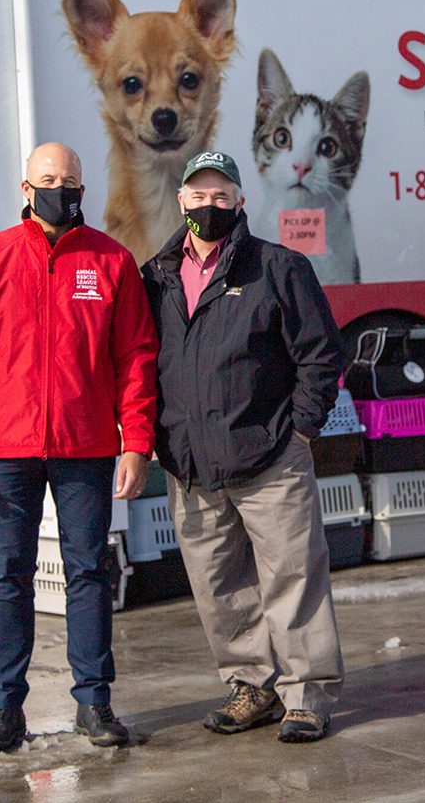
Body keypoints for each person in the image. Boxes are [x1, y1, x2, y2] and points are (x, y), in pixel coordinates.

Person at [0, 141, 157, 754]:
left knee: (89, 573)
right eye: (48, 179)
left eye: (70, 180)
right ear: (26, 188)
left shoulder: (111, 262)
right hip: (7, 449)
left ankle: (94, 702)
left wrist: (136, 442)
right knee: (9, 577)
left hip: (86, 446)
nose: (60, 189)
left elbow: (136, 358)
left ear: (83, 188)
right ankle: (5, 710)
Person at [141, 151, 347, 743]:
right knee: (220, 587)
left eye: (221, 196)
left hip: (269, 458)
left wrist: (300, 429)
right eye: (198, 196)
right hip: (191, 466)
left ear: (239, 201)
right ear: (181, 200)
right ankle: (252, 686)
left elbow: (321, 355)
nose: (209, 206)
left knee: (292, 579)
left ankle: (306, 695)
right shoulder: (155, 277)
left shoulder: (277, 267)